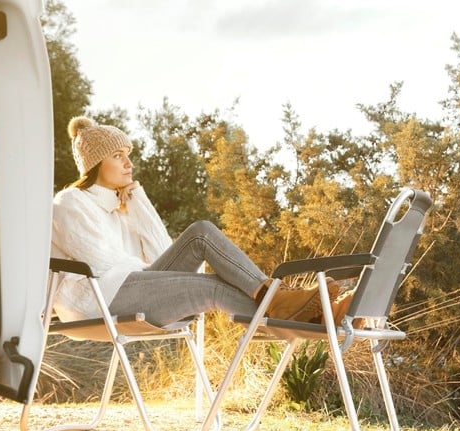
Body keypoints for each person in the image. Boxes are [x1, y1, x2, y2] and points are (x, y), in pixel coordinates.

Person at [51, 116, 351, 328]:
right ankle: (306, 314)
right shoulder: (70, 203)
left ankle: (290, 304)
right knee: (213, 287)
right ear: (94, 164)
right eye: (118, 156)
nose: (129, 164)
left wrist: (139, 203)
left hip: (133, 287)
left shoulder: (122, 207)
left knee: (201, 233)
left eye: (128, 154)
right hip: (99, 300)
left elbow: (159, 254)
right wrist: (158, 276)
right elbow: (100, 265)